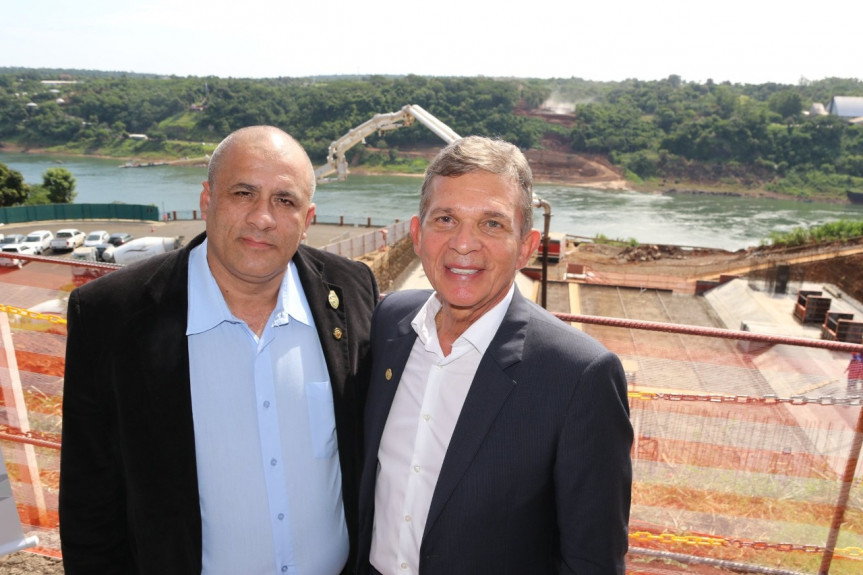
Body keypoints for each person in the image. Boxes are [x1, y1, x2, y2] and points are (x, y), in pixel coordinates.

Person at [59, 126, 379, 574]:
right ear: (207, 200)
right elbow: (88, 502)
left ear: (307, 220)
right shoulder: (112, 316)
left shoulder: (351, 291)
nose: (262, 217)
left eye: (284, 200)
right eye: (243, 192)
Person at [357, 136, 633, 575]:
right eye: (445, 219)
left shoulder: (579, 377)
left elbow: (591, 561)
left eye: (492, 224)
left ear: (527, 245)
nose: (464, 244)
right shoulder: (390, 323)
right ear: (417, 234)